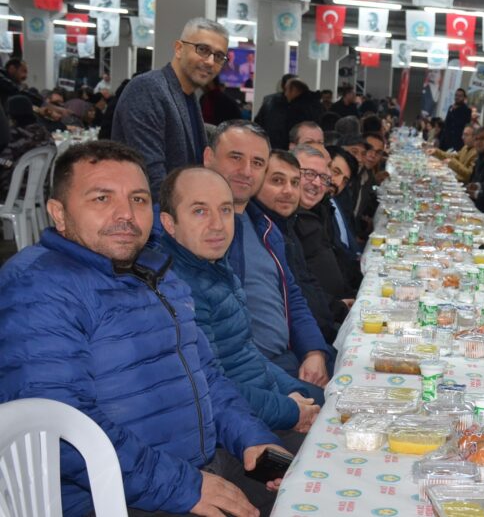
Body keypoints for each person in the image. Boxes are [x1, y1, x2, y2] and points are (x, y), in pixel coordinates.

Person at [0, 141, 287, 516]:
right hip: (108, 497)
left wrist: (252, 438)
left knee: (315, 481)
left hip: (194, 468)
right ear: (59, 213)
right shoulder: (38, 287)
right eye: (102, 198)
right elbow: (61, 427)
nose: (126, 214)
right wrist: (184, 486)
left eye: (137, 199)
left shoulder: (154, 273)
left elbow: (208, 377)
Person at [158, 166, 321, 441]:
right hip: (234, 429)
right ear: (169, 223)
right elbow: (209, 388)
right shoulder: (177, 288)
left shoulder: (216, 268)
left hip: (265, 400)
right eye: (200, 211)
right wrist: (289, 410)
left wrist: (296, 393)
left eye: (225, 210)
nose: (217, 224)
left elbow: (248, 353)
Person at [203, 120, 332, 386]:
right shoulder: (199, 231)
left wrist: (314, 351)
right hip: (252, 372)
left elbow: (292, 296)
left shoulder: (265, 227)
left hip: (289, 358)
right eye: (235, 157)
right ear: (208, 157)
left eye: (257, 163)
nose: (246, 171)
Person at [112, 17, 229, 191]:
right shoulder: (148, 88)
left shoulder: (189, 97)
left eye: (219, 56)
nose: (210, 62)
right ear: (179, 49)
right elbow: (151, 177)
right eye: (203, 50)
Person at [254, 150, 341, 344]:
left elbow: (306, 284)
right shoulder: (259, 230)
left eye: (294, 182)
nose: (288, 191)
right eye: (277, 181)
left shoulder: (287, 224)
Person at [291, 144, 358, 329]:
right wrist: (337, 308)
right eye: (309, 174)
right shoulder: (282, 221)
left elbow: (335, 258)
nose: (317, 183)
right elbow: (298, 285)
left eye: (323, 178)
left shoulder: (318, 212)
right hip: (321, 321)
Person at [254, 73, 297, 150]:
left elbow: (258, 123)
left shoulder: (269, 100)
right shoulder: (302, 104)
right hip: (284, 146)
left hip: (271, 145)